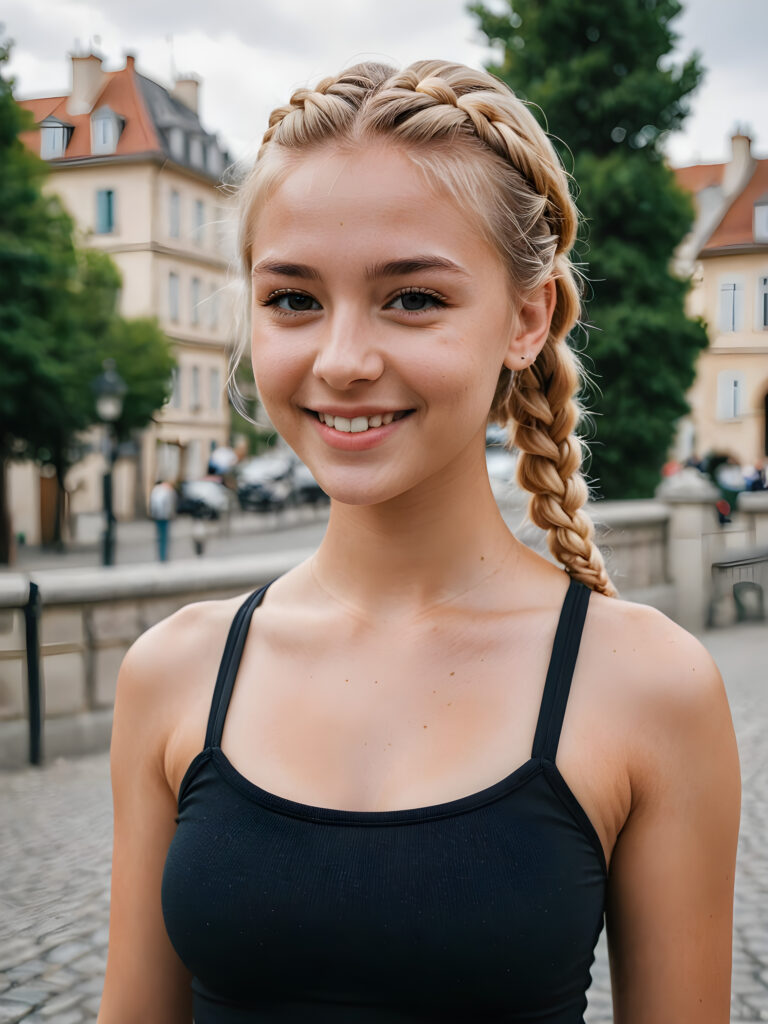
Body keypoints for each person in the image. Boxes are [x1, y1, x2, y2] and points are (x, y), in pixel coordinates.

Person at [99, 61, 740, 1023]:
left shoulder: (650, 686)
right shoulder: (174, 671)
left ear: (528, 319)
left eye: (412, 299)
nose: (343, 360)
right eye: (292, 299)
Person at [148, 479, 176, 562]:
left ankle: (161, 557)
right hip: (165, 517)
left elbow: (153, 505)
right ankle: (163, 557)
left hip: (158, 517)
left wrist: (153, 515)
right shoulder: (166, 491)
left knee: (159, 538)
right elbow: (170, 503)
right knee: (164, 538)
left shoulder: (154, 491)